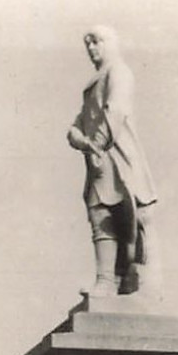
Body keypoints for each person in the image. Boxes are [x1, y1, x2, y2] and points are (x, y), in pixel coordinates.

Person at [67, 25, 159, 297]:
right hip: (98, 157)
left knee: (130, 217)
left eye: (96, 42)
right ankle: (106, 281)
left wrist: (95, 145)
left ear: (111, 43)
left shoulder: (119, 72)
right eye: (88, 44)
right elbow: (76, 125)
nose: (91, 49)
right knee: (100, 214)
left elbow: (114, 111)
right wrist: (80, 140)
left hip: (119, 157)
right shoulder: (94, 83)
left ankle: (136, 281)